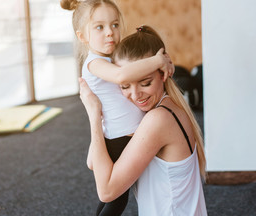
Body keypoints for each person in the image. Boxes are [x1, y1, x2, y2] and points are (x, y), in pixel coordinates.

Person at [60, 0, 174, 216]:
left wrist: (164, 61)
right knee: (115, 200)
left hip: (122, 135)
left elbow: (133, 69)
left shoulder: (111, 58)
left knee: (114, 200)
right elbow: (123, 75)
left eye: (114, 25)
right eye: (99, 27)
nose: (110, 32)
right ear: (82, 36)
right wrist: (157, 61)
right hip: (120, 138)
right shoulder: (94, 63)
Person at [79, 25, 207, 216]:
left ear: (163, 74)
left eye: (145, 83)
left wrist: (93, 114)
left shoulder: (158, 119)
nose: (135, 94)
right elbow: (93, 162)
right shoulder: (159, 110)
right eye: (125, 85)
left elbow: (106, 191)